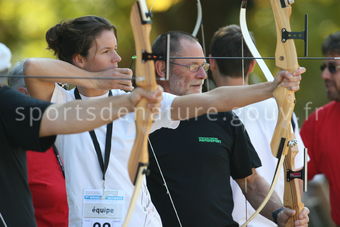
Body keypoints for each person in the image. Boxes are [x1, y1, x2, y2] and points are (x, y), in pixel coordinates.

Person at [24, 16, 303, 227]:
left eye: (116, 49)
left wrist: (271, 87)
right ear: (79, 60)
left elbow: (213, 100)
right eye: (106, 51)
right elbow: (32, 68)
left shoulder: (138, 101)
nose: (118, 57)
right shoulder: (60, 104)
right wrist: (94, 80)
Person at [146, 31, 309, 227]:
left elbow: (251, 181)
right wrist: (273, 86)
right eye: (193, 67)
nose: (202, 75)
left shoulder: (222, 117)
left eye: (204, 66)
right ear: (161, 68)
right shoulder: (139, 119)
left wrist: (279, 212)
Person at [0, 41, 164, 227]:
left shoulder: (72, 123)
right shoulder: (23, 140)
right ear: (24, 95)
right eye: (54, 87)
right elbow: (34, 67)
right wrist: (94, 80)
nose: (61, 92)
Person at [209, 24, 306, 227]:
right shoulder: (282, 106)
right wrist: (295, 210)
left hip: (263, 218)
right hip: (278, 217)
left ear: (212, 63)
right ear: (252, 65)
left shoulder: (206, 112)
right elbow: (297, 171)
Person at [8, 62, 68, 227]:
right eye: (56, 90)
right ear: (24, 95)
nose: (63, 96)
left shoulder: (69, 132)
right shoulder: (14, 147)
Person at [300, 31, 340, 227]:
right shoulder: (318, 122)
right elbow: (291, 176)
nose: (324, 74)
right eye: (324, 67)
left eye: (332, 67)